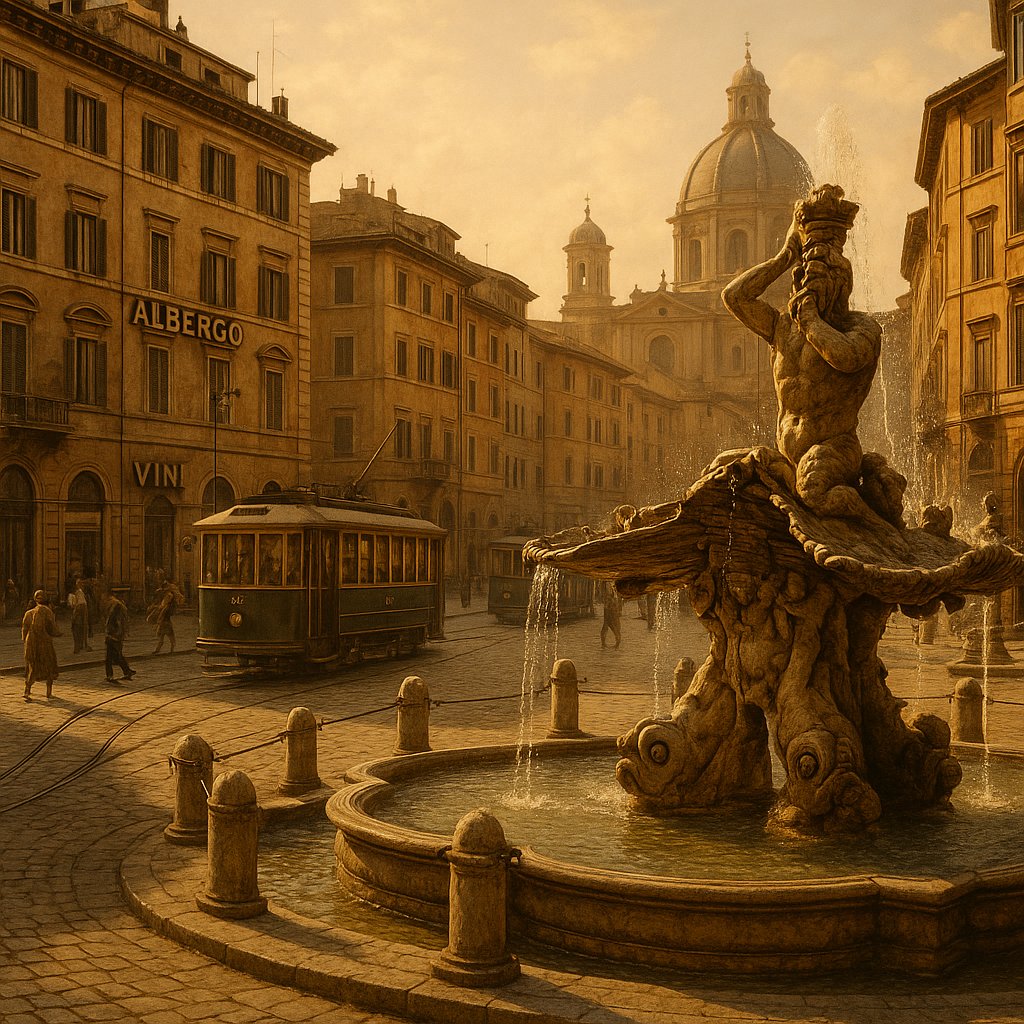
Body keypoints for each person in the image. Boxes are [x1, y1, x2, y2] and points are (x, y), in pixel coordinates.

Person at [722, 184, 904, 527]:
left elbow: (845, 359)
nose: (809, 281)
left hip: (835, 449)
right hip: (789, 452)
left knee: (813, 491)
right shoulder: (781, 328)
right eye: (805, 274)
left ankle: (880, 529)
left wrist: (809, 320)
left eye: (821, 275)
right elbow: (734, 297)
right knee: (726, 471)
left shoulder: (862, 328)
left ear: (842, 282)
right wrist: (784, 257)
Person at [22, 589, 61, 701]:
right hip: (44, 643)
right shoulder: (48, 611)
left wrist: (26, 642)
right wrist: (58, 633)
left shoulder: (28, 613)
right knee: (49, 665)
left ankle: (27, 690)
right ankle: (48, 692)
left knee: (32, 666)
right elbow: (52, 629)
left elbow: (24, 631)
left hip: (31, 643)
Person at [104, 592, 135, 683]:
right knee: (116, 656)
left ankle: (111, 675)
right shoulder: (117, 607)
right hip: (114, 636)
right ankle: (127, 671)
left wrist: (113, 634)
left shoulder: (116, 608)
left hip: (113, 636)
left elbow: (117, 624)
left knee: (111, 657)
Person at [148, 581, 180, 654]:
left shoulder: (167, 604)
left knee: (165, 636)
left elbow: (162, 613)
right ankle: (163, 649)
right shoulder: (167, 599)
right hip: (166, 621)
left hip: (165, 622)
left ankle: (167, 649)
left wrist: (158, 620)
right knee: (166, 636)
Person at [67, 578, 91, 654]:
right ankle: (78, 646)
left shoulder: (80, 592)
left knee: (81, 628)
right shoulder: (74, 594)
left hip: (81, 610)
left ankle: (82, 645)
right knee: (77, 628)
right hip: (79, 611)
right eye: (79, 583)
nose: (81, 585)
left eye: (81, 583)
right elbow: (73, 605)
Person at [600, 582, 621, 649]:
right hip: (610, 607)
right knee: (611, 625)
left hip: (611, 606)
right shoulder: (607, 583)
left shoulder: (612, 583)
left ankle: (616, 643)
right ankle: (615, 643)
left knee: (612, 625)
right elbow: (610, 595)